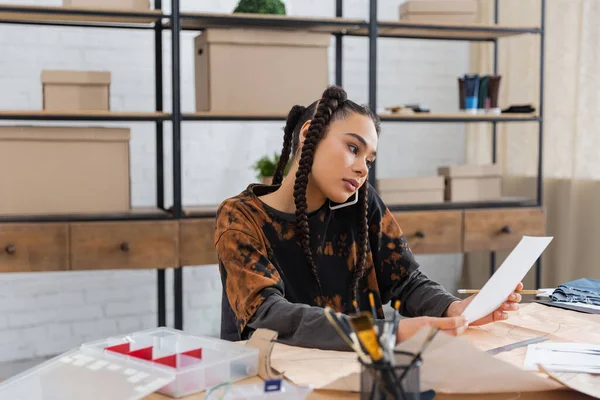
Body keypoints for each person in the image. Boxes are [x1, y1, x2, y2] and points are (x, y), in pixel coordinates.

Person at [214, 85, 522, 351]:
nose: (363, 168)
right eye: (352, 148)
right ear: (309, 134)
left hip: (362, 373)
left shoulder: (360, 203)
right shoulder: (239, 217)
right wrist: (388, 334)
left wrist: (455, 309)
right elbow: (271, 314)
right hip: (277, 379)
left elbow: (406, 281)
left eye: (369, 159)